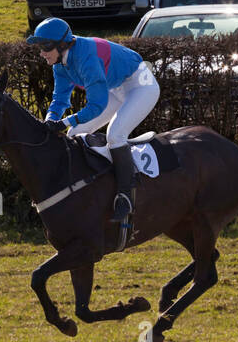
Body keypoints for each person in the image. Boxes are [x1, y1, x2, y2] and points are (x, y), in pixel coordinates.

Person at [27, 17, 160, 228]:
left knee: (115, 135)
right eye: (40, 47)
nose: (42, 53)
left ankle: (125, 196)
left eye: (46, 47)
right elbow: (60, 99)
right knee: (74, 133)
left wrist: (63, 122)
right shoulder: (60, 63)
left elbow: (96, 106)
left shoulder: (86, 58)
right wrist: (50, 120)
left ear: (62, 45)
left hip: (140, 85)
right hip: (115, 88)